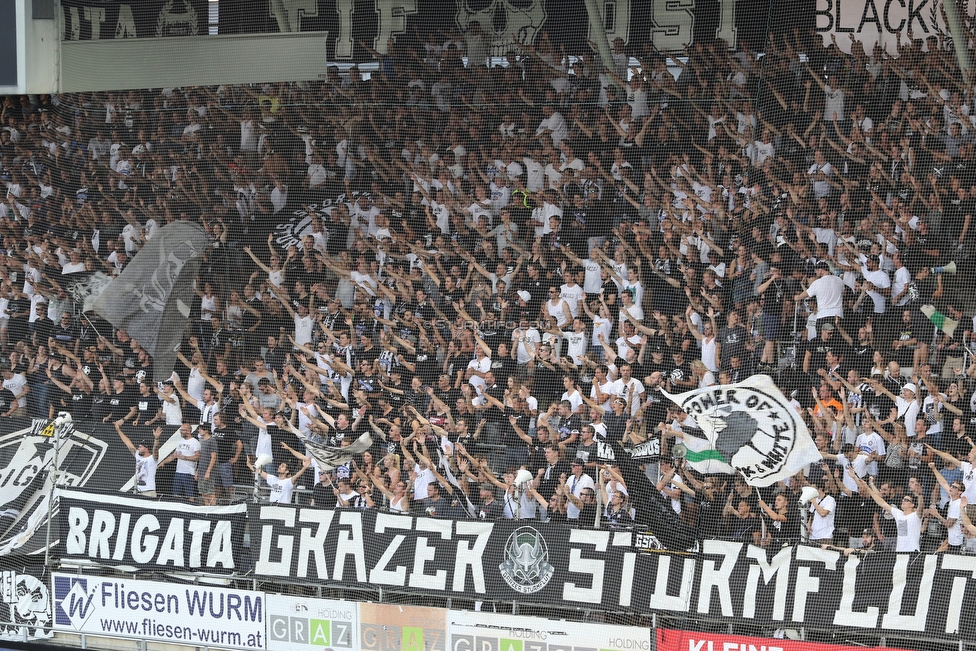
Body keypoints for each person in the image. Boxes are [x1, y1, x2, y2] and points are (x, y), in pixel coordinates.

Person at [114, 422, 162, 498]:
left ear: (146, 449)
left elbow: (155, 449)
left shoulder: (152, 459)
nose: (138, 448)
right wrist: (118, 430)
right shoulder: (138, 457)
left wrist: (156, 438)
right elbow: (128, 444)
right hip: (137, 491)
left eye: (140, 447)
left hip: (148, 492)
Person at [158, 423, 201, 502]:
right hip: (178, 472)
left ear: (189, 431)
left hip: (188, 472)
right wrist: (164, 461)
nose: (181, 432)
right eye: (180, 430)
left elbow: (198, 457)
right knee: (176, 494)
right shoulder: (180, 441)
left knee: (190, 494)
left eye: (182, 430)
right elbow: (174, 455)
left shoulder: (195, 442)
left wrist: (184, 457)